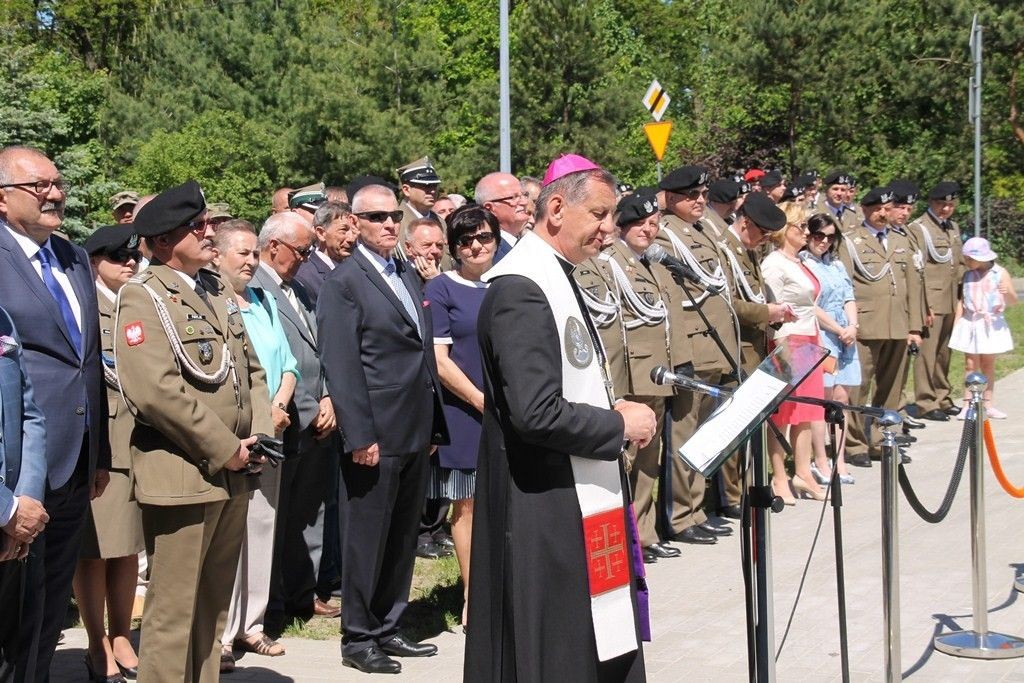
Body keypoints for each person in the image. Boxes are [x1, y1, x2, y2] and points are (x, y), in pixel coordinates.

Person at [466, 154, 654, 682]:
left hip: (571, 493)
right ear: (555, 207)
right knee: (556, 650)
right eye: (598, 214)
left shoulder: (558, 274)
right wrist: (618, 428)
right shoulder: (521, 288)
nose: (609, 228)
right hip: (543, 503)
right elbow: (535, 412)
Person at [114, 179, 274, 683]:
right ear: (163, 242)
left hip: (236, 470)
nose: (211, 233)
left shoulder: (215, 288)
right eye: (198, 226)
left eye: (209, 223)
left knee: (213, 606)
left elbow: (252, 370)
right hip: (183, 472)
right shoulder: (143, 297)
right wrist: (226, 448)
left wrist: (260, 439)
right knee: (173, 609)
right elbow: (155, 391)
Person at [317, 183, 449, 675]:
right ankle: (358, 637)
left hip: (414, 427)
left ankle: (389, 624)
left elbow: (419, 350)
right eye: (376, 217)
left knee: (400, 534)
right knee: (365, 536)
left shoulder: (403, 274)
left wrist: (433, 422)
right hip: (374, 431)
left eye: (395, 215)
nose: (389, 224)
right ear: (355, 223)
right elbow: (343, 363)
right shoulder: (345, 282)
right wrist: (359, 435)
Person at [0, 145, 110, 682]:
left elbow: (86, 361)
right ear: (2, 199)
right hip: (20, 465)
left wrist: (100, 453)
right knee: (12, 613)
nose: (55, 194)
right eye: (37, 185)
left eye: (57, 183)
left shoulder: (72, 256)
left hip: (76, 458)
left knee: (46, 608)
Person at [213, 219, 299, 670]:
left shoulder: (263, 298)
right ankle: (223, 633)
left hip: (274, 426)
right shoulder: (213, 301)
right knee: (232, 532)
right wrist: (265, 414)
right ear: (218, 255)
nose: (251, 261)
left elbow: (286, 360)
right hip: (240, 431)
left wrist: (280, 403)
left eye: (254, 254)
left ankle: (252, 623)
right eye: (241, 253)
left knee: (262, 525)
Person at [249, 213, 340, 628]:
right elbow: (274, 359)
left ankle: (305, 594)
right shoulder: (256, 289)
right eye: (300, 250)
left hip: (317, 415)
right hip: (286, 419)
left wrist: (327, 397)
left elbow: (316, 350)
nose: (306, 258)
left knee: (311, 511)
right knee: (280, 518)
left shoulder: (298, 287)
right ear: (273, 247)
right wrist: (305, 402)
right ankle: (273, 605)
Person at [605, 190, 691, 563]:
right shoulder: (612, 263)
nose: (648, 229)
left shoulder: (655, 264)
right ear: (622, 225)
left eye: (654, 223)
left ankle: (645, 534)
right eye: (639, 223)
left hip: (660, 372)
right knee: (630, 462)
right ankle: (629, 537)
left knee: (648, 462)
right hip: (634, 374)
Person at [75, 224, 146, 682]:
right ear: (94, 260)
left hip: (142, 441)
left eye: (133, 256)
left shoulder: (138, 303)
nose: (129, 262)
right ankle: (96, 640)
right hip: (107, 442)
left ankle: (122, 633)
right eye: (118, 256)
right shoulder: (88, 306)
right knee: (96, 550)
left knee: (128, 549)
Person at [423, 204, 499, 627]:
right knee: (467, 508)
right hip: (465, 414)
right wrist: (480, 400)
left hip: (512, 413)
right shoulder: (442, 289)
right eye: (465, 241)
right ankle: (473, 596)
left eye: (484, 238)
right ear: (453, 247)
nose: (475, 247)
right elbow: (440, 360)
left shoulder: (507, 283)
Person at [839, 186, 923, 466]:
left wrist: (915, 326)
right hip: (866, 324)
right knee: (858, 387)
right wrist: (849, 322)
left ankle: (882, 439)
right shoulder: (852, 241)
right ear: (865, 210)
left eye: (887, 209)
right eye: (877, 209)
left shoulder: (900, 240)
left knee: (892, 388)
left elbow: (913, 285)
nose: (883, 214)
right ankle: (854, 444)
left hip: (898, 324)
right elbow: (845, 285)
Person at [762, 204, 828, 503]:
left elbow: (810, 306)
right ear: (784, 230)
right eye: (799, 226)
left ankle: (802, 471)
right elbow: (771, 306)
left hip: (809, 338)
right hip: (788, 340)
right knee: (784, 413)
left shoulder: (800, 261)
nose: (805, 231)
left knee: (807, 412)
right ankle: (778, 476)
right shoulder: (774, 263)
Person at [0, 306, 48, 681]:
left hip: (13, 527)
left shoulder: (2, 318)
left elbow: (30, 414)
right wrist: (7, 510)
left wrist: (25, 500)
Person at [802, 213, 859, 485]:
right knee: (821, 402)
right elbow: (810, 304)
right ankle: (820, 459)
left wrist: (853, 326)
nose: (823, 242)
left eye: (829, 237)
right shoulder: (804, 264)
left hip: (845, 336)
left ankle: (840, 458)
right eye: (818, 236)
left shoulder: (836, 265)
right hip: (822, 336)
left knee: (841, 399)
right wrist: (837, 329)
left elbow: (849, 296)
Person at [907, 181, 966, 420]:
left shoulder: (952, 227)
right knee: (927, 355)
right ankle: (926, 401)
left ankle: (942, 396)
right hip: (931, 300)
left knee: (944, 352)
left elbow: (958, 262)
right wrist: (923, 304)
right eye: (942, 204)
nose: (946, 209)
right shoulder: (919, 228)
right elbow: (918, 268)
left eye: (950, 204)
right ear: (931, 202)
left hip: (951, 298)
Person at [950, 237, 1017, 418]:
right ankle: (967, 404)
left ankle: (988, 403)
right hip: (971, 322)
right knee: (970, 364)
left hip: (991, 324)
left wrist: (1007, 292)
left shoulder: (999, 273)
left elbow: (1012, 300)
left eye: (971, 259)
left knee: (988, 363)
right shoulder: (968, 275)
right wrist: (957, 326)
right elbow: (962, 303)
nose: (967, 262)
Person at [293, 201, 358, 306]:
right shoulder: (305, 278)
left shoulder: (360, 269)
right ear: (321, 233)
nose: (351, 238)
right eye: (343, 230)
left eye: (354, 230)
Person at [474, 172, 530, 263]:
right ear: (490, 208)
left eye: (524, 195)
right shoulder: (488, 254)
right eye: (514, 197)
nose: (524, 202)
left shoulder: (528, 243)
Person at [396, 156, 444, 237]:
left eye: (434, 185)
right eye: (426, 186)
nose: (432, 191)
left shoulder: (440, 222)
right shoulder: (396, 222)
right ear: (406, 190)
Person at [404, 217, 447, 283]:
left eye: (439, 245)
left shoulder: (450, 275)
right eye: (427, 245)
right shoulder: (402, 277)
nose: (435, 251)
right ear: (408, 248)